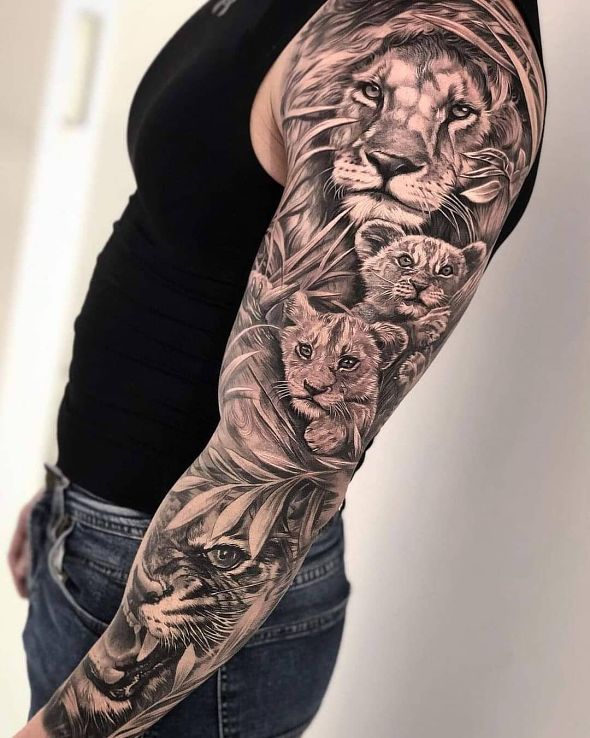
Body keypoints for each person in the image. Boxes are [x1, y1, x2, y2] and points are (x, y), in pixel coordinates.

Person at [9, 1, 546, 736]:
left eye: (453, 115)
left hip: (185, 604)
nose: (396, 145)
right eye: (374, 97)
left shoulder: (431, 28)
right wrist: (77, 493)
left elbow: (285, 466)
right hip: (109, 540)